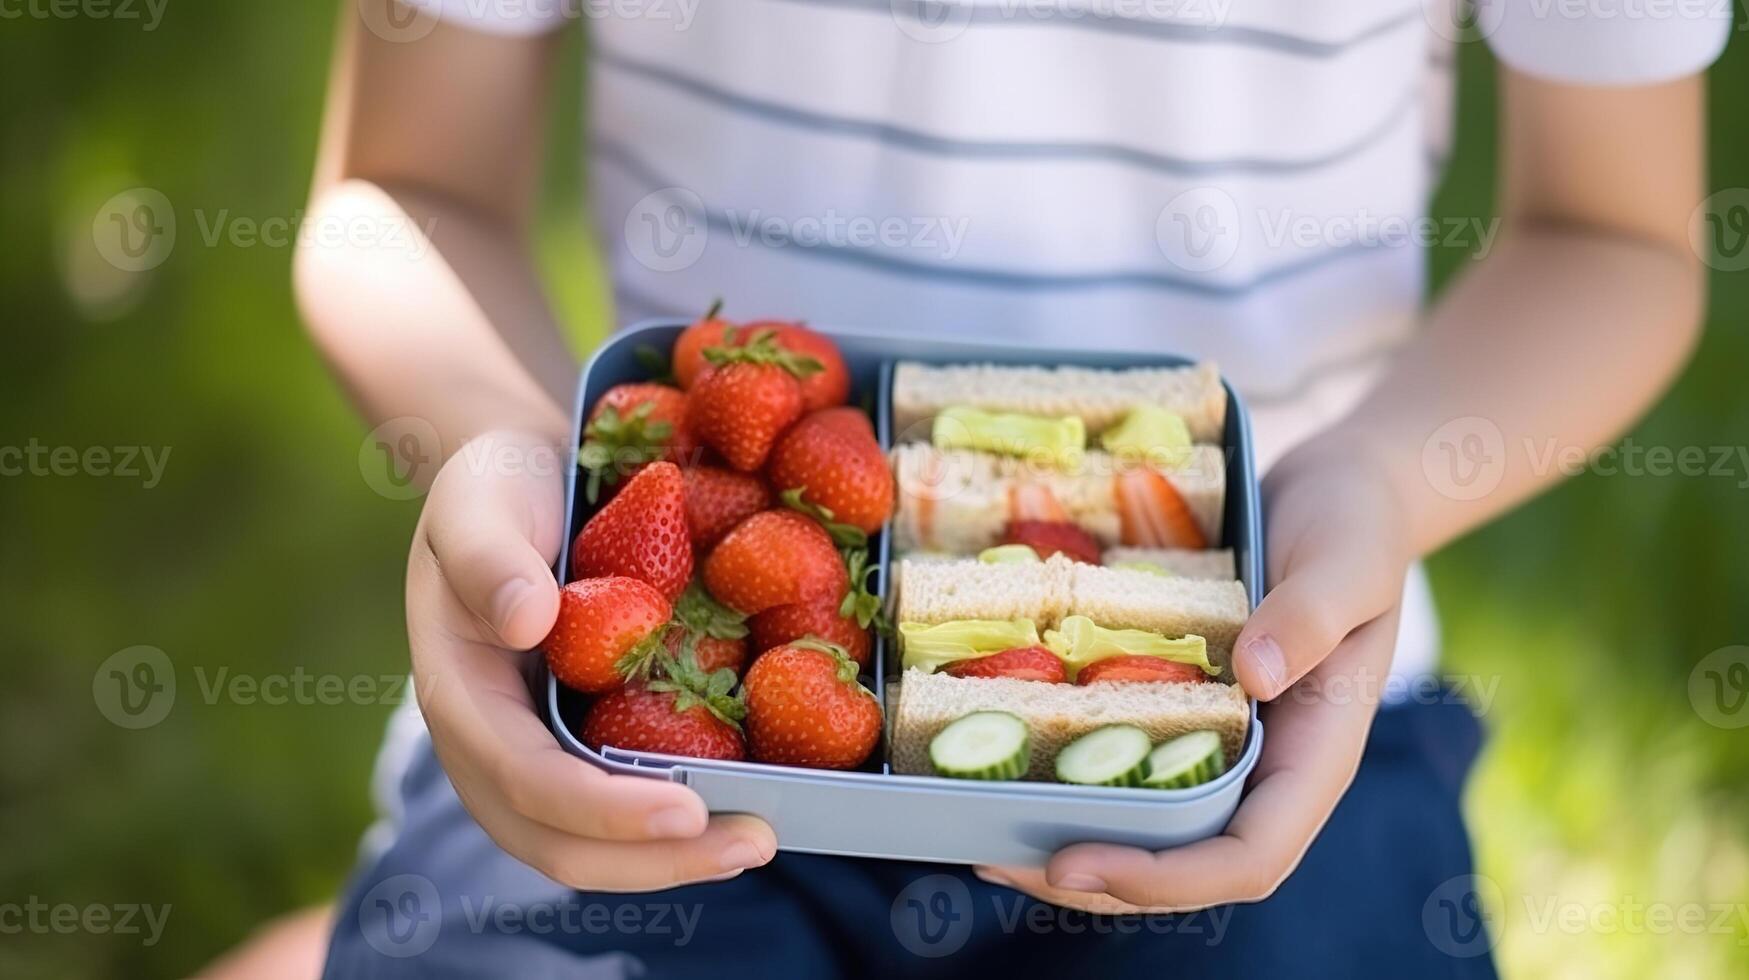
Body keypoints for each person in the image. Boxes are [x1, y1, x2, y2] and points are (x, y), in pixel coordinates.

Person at [283, 2, 1725, 976]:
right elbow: (404, 190)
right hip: (665, 697)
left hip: (1295, 708)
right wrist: (501, 457)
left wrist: (1373, 482)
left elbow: (1608, 233)